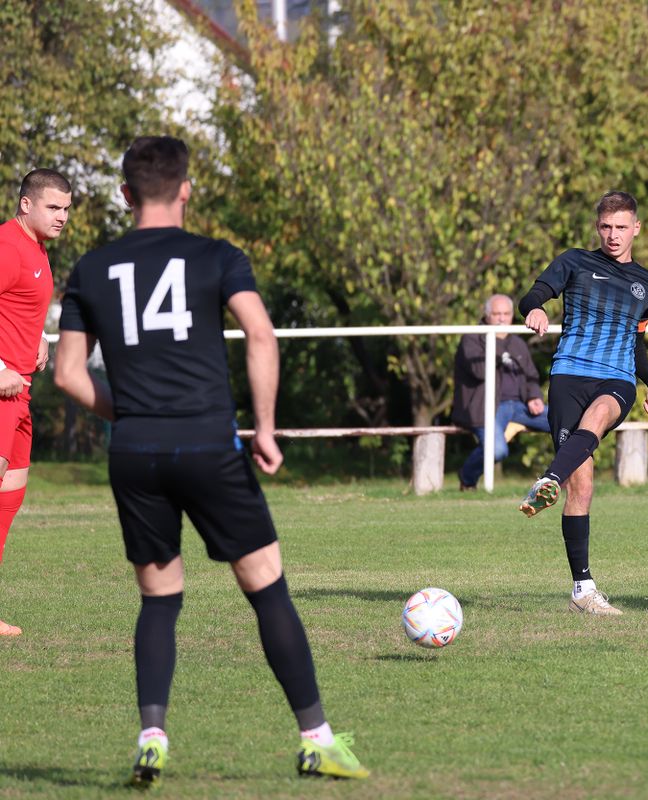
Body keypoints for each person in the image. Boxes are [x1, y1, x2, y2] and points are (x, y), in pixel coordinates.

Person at [53, 136, 367, 785]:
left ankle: (152, 737)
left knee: (159, 599)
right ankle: (318, 741)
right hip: (206, 445)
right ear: (187, 190)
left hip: (134, 453)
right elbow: (259, 331)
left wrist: (133, 416)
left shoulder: (91, 266)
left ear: (124, 193)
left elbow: (66, 374)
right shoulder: (216, 256)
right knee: (267, 587)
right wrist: (268, 429)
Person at [516, 191, 648, 616]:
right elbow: (532, 296)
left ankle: (548, 478)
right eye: (606, 227)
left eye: (621, 227)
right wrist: (537, 310)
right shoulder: (574, 261)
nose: (613, 235)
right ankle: (583, 590)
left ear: (636, 227)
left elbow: (636, 341)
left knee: (600, 416)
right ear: (596, 227)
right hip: (567, 376)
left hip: (616, 378)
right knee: (581, 487)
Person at [0, 169, 71, 637]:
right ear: (26, 204)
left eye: (66, 209)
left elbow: (18, 307)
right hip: (1, 391)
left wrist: (40, 338)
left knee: (10, 498)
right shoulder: (8, 247)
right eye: (53, 207)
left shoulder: (37, 249)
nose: (62, 217)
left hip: (21, 391)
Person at [452, 293, 550, 490]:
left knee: (567, 423)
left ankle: (561, 480)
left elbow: (531, 375)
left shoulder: (518, 343)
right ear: (487, 315)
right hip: (487, 408)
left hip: (520, 407)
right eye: (497, 314)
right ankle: (467, 477)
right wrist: (497, 348)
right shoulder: (472, 339)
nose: (502, 318)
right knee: (497, 451)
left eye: (506, 313)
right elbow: (479, 372)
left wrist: (534, 396)